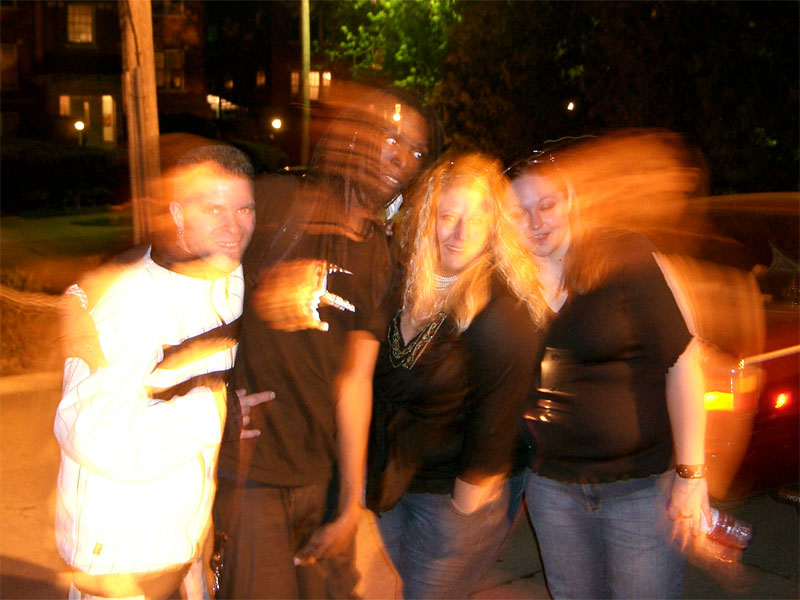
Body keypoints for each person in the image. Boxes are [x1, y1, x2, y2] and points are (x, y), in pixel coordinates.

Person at [213, 87, 440, 599]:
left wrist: (350, 504)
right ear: (354, 135)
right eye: (391, 138)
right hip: (252, 470)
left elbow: (355, 381)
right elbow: (192, 276)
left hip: (319, 472)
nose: (402, 158)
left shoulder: (377, 252)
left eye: (415, 150)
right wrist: (214, 397)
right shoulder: (275, 201)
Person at [53, 135, 266, 600]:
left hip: (179, 550)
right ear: (177, 214)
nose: (233, 226)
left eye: (244, 209)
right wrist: (216, 412)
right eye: (213, 209)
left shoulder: (228, 277)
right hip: (122, 566)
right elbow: (87, 429)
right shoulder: (126, 304)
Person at [508, 136, 710, 599]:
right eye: (520, 212)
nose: (536, 222)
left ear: (570, 200)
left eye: (547, 205)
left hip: (640, 489)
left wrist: (691, 475)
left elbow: (682, 361)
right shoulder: (508, 284)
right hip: (553, 488)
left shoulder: (624, 255)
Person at [366, 153, 547, 599]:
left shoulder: (500, 312)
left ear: (494, 227)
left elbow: (497, 417)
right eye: (449, 216)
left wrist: (464, 505)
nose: (461, 232)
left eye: (477, 219)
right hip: (396, 489)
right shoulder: (401, 287)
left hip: (454, 498)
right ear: (427, 219)